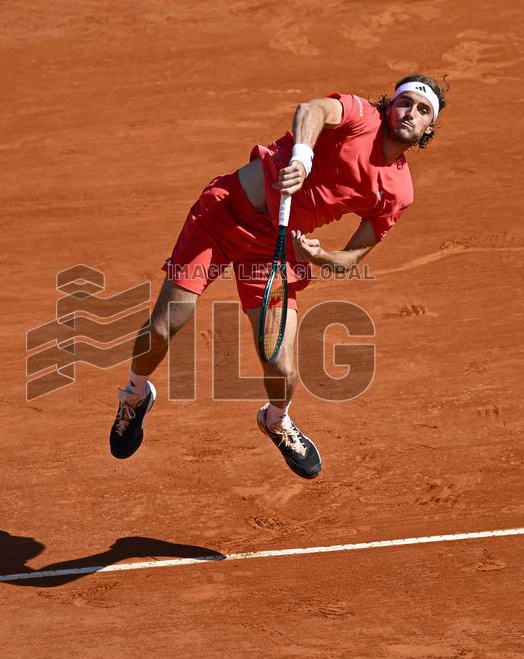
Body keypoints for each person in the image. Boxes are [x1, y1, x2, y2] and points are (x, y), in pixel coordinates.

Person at [108, 75, 448, 479]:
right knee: (164, 327)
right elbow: (311, 110)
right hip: (222, 217)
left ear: (429, 128)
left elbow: (352, 257)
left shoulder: (398, 192)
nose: (410, 113)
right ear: (389, 106)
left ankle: (276, 420)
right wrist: (302, 158)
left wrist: (320, 256)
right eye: (405, 103)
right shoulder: (360, 116)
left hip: (275, 250)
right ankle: (136, 395)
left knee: (281, 367)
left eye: (422, 110)